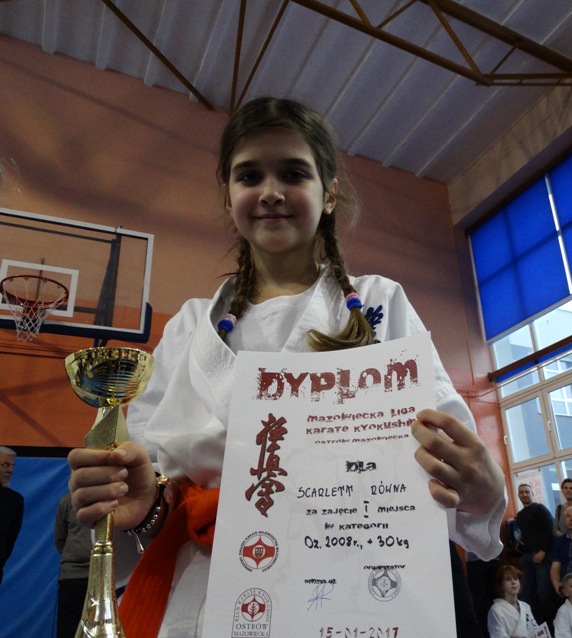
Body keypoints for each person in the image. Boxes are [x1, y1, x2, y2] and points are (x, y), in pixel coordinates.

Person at [68, 96, 506, 638]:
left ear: (329, 193)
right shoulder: (190, 326)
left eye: (294, 173)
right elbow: (155, 484)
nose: (271, 191)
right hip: (213, 581)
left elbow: (448, 449)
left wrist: (481, 484)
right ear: (228, 195)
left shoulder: (378, 302)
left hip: (357, 564)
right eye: (249, 175)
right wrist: (142, 501)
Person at [515, 483, 560, 627]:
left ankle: (552, 627)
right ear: (518, 495)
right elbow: (529, 534)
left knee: (544, 594)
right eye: (521, 492)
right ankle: (536, 627)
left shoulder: (540, 509)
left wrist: (543, 551)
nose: (524, 494)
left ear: (532, 494)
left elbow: (550, 531)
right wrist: (521, 544)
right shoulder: (520, 515)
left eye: (527, 492)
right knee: (524, 594)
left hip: (543, 557)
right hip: (527, 557)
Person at [54, 491, 92, 638]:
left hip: (106, 577)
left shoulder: (114, 500)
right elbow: (60, 539)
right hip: (73, 577)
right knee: (69, 630)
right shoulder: (67, 501)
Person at [487, 564, 539, 638]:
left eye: (515, 578)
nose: (513, 582)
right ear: (501, 586)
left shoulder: (526, 606)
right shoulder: (496, 610)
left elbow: (536, 631)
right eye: (508, 579)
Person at [0, 446, 24, 585]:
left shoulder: (15, 500)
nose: (10, 470)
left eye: (12, 466)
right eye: (5, 465)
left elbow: (11, 537)